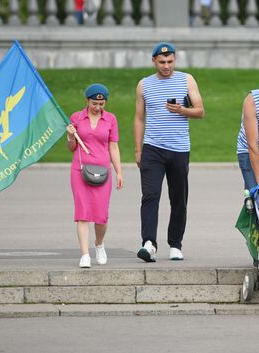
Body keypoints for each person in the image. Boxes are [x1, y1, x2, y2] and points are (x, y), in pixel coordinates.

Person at [133, 42, 205, 262]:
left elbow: (200, 111)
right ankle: (148, 243)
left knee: (178, 198)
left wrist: (182, 110)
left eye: (170, 61)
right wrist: (138, 150)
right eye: (162, 62)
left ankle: (175, 244)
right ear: (154, 61)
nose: (166, 66)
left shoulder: (187, 79)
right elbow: (138, 118)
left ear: (175, 60)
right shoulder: (144, 85)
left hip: (179, 149)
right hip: (153, 148)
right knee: (150, 196)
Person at [66, 83, 123, 268]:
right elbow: (71, 148)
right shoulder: (76, 117)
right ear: (87, 101)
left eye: (102, 104)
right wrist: (71, 137)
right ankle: (84, 255)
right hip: (80, 170)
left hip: (103, 171)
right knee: (82, 213)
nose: (98, 107)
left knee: (101, 216)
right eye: (94, 104)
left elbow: (113, 146)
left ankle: (99, 244)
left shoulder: (111, 119)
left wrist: (119, 171)